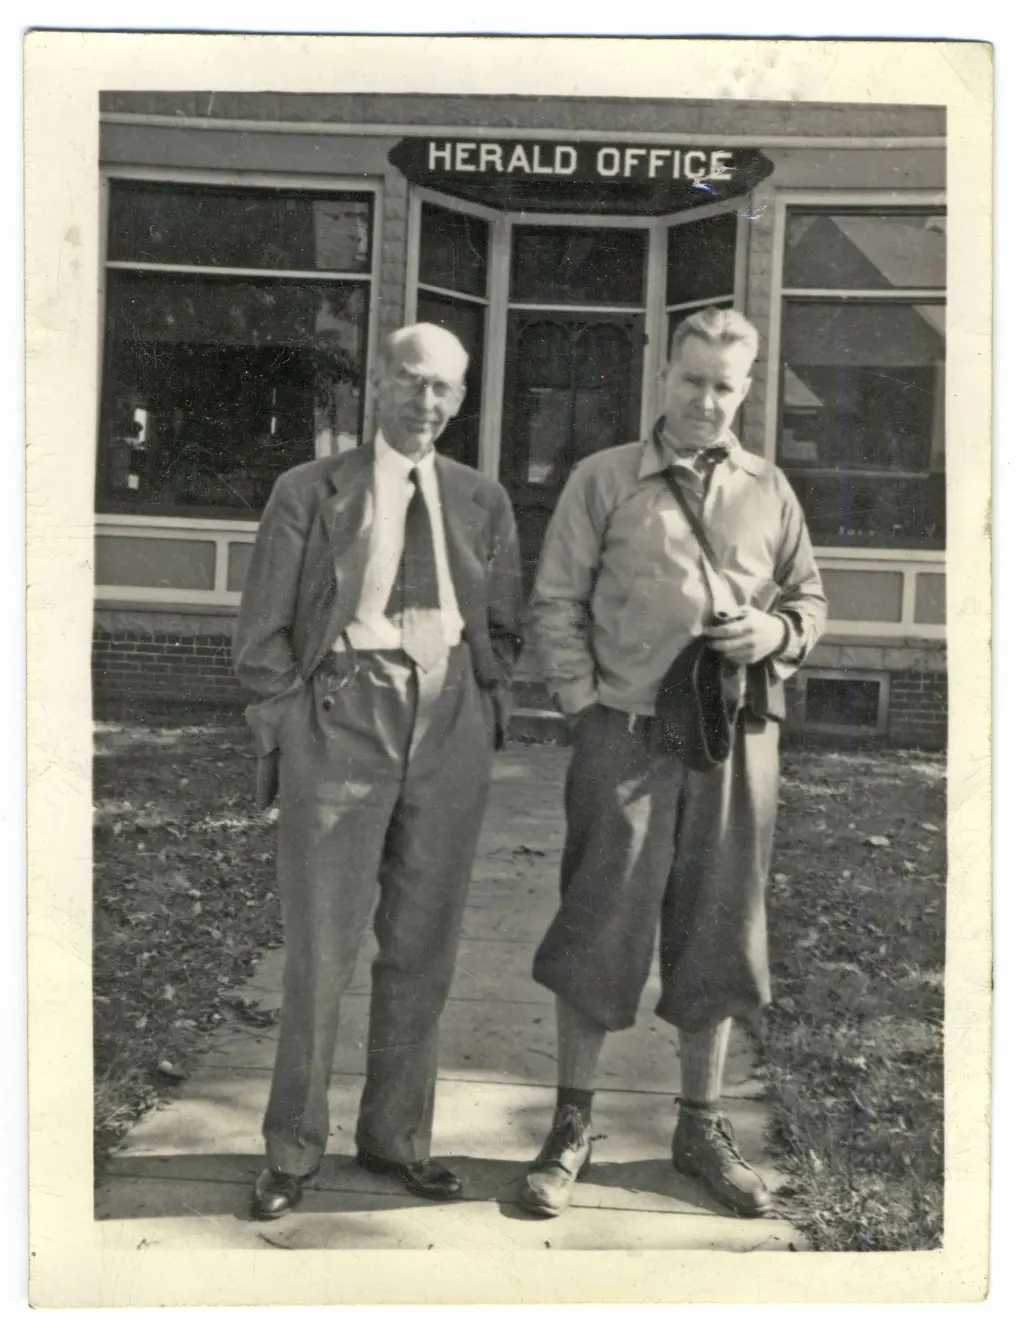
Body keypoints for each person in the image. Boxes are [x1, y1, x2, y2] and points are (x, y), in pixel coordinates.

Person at [520, 307, 827, 1220]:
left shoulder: (769, 489)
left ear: (747, 389)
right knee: (598, 923)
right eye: (691, 380)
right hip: (628, 735)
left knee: (720, 931)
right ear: (664, 376)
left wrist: (773, 630)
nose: (706, 401)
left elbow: (809, 598)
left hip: (736, 739)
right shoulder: (604, 479)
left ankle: (700, 1127)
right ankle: (571, 1125)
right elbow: (554, 602)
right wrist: (585, 705)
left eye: (724, 386)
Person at [233, 323, 522, 1220]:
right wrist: (295, 717)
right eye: (410, 382)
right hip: (343, 710)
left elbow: (501, 626)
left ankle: (397, 1139)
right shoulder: (311, 490)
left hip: (448, 721)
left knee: (423, 946)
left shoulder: (482, 499)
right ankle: (291, 1148)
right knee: (321, 946)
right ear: (378, 384)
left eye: (443, 388)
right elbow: (263, 634)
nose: (425, 402)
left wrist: (482, 702)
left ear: (460, 398)